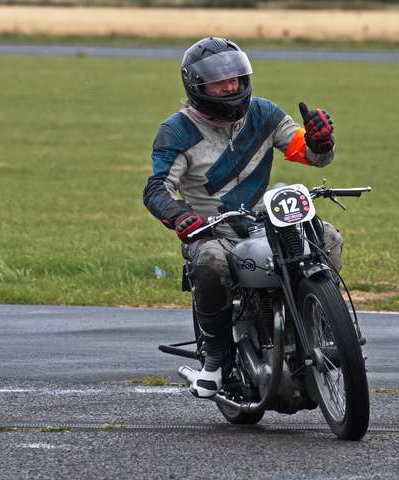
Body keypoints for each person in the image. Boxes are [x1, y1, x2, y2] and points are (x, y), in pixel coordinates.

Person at [143, 37, 342, 398]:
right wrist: (179, 216)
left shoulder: (264, 113)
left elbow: (310, 156)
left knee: (326, 236)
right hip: (211, 230)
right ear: (197, 85)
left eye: (235, 78)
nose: (231, 86)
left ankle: (321, 325)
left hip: (266, 222)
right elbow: (157, 188)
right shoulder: (176, 131)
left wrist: (320, 141)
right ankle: (216, 360)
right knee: (211, 261)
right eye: (219, 81)